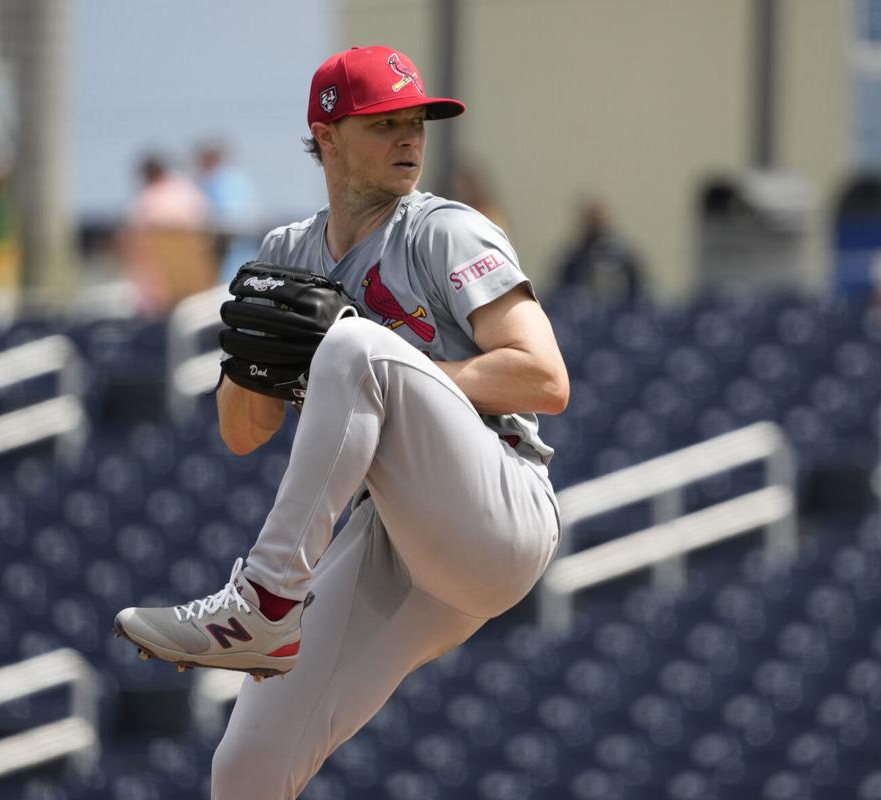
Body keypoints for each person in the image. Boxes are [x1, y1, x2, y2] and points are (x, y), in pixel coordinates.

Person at [113, 45, 567, 799]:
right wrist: (255, 358)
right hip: (393, 537)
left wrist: (404, 382)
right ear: (326, 135)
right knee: (246, 767)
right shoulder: (286, 254)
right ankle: (268, 612)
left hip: (497, 504)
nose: (410, 138)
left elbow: (546, 378)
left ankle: (263, 603)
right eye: (385, 121)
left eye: (416, 120)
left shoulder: (443, 230)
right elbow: (242, 431)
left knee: (357, 344)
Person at [120, 153, 214, 316]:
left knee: (186, 296)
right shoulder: (152, 194)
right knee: (165, 299)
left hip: (179, 247)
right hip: (163, 250)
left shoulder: (176, 189)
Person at [194, 140, 263, 281]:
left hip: (231, 244)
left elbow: (225, 218)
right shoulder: (236, 178)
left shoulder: (218, 180)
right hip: (241, 243)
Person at [557, 196, 645, 304]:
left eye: (598, 217)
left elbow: (638, 289)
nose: (595, 222)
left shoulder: (623, 258)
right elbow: (563, 291)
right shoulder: (573, 260)